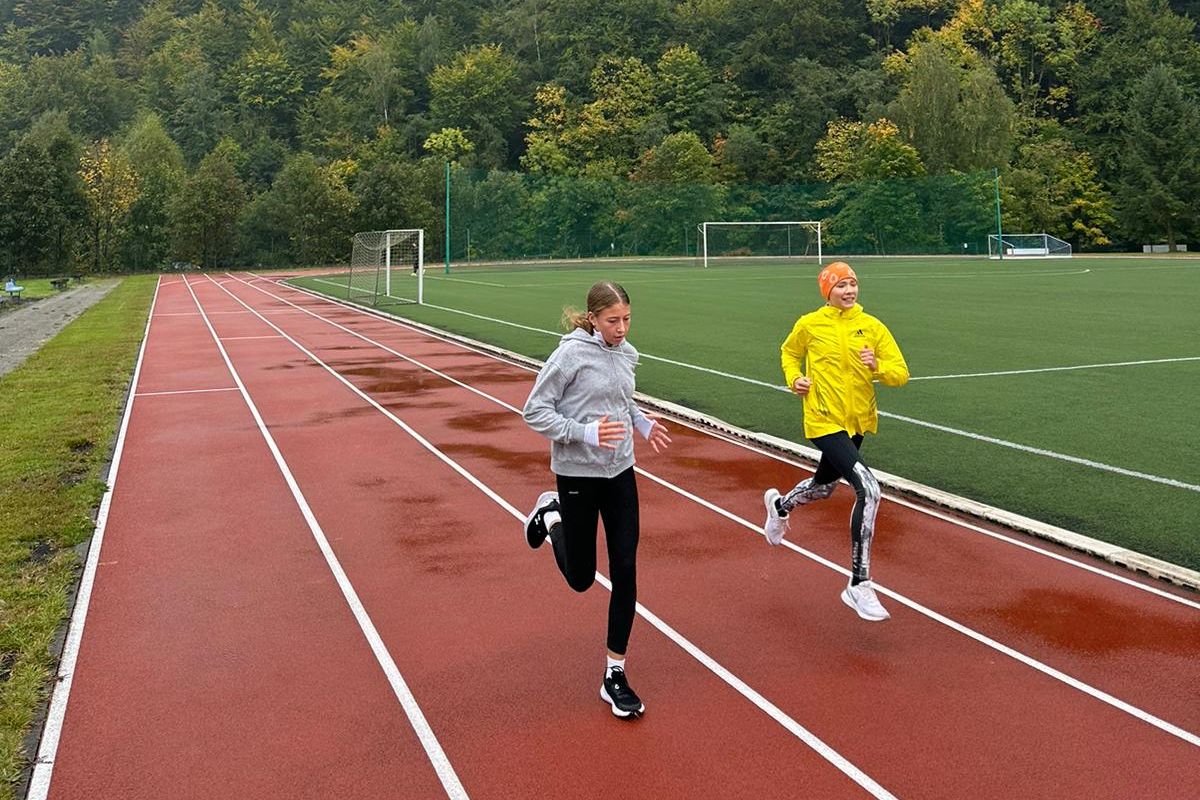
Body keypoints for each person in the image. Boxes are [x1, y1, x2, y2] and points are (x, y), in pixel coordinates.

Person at [522, 281, 671, 718]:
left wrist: (642, 425)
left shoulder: (628, 354)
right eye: (613, 321)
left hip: (621, 471)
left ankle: (615, 673)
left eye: (627, 319)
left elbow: (623, 402)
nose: (622, 328)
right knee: (582, 578)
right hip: (577, 474)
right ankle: (551, 517)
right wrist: (584, 433)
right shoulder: (569, 355)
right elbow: (534, 410)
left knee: (626, 570)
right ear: (593, 319)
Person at [762, 261, 909, 621]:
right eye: (840, 285)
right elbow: (789, 352)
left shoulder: (872, 327)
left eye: (853, 284)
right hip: (823, 419)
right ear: (827, 291)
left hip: (857, 421)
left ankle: (780, 507)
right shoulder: (810, 324)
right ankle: (859, 583)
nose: (849, 290)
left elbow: (900, 374)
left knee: (824, 487)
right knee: (870, 490)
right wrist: (794, 378)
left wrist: (878, 367)